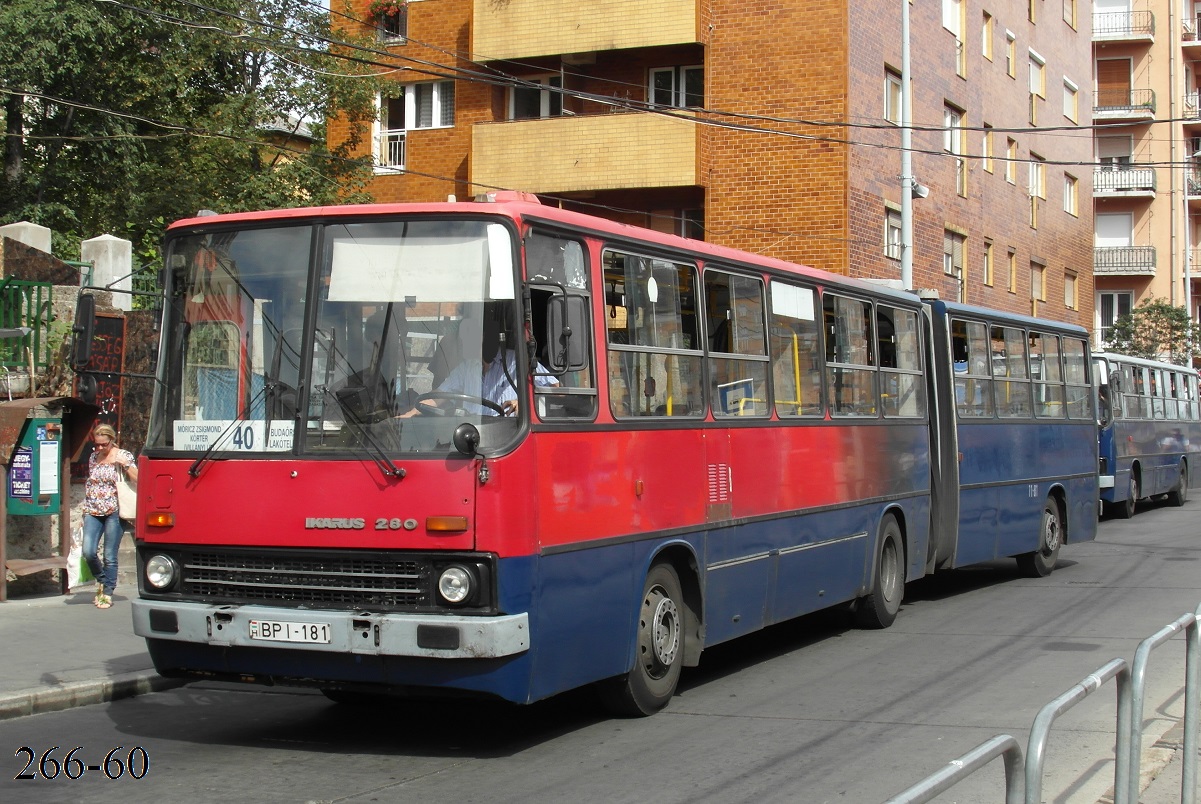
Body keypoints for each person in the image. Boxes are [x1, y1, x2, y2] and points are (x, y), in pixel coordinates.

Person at [403, 315, 557, 417]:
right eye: (462, 339)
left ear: (483, 337)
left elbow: (555, 389)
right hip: (472, 438)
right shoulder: (466, 368)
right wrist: (411, 414)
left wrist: (524, 403)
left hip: (510, 438)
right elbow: (440, 395)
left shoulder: (515, 361)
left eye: (467, 338)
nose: (462, 345)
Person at [82, 424, 138, 609]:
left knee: (109, 555)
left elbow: (138, 478)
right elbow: (91, 483)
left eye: (103, 445)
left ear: (111, 441)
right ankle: (103, 580)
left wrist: (126, 465)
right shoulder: (93, 457)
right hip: (93, 509)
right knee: (88, 552)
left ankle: (107, 593)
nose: (99, 448)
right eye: (96, 445)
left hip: (114, 511)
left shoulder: (123, 455)